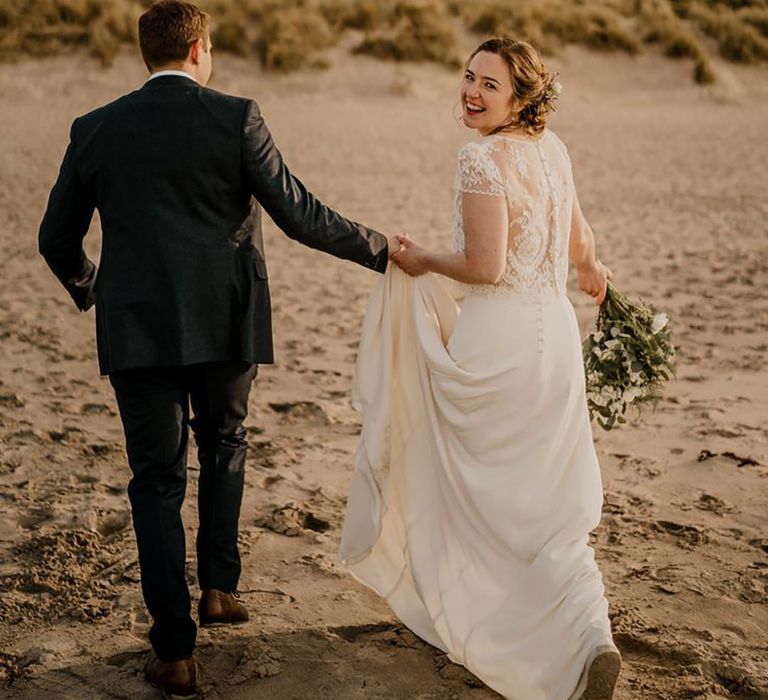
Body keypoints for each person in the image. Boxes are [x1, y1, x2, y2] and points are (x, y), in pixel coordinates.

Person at [37, 1, 397, 696]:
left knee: (156, 481)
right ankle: (220, 590)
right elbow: (299, 212)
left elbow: (56, 240)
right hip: (226, 321)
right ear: (200, 48)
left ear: (148, 54)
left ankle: (173, 651)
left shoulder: (94, 129)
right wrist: (383, 250)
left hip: (137, 327)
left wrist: (94, 291)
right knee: (226, 443)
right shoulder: (236, 116)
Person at [343, 37, 621, 699]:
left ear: (522, 99)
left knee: (474, 488)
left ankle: (490, 621)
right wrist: (593, 275)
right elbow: (581, 244)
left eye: (489, 85)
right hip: (554, 340)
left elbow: (484, 267)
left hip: (498, 341)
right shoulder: (554, 151)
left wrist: (421, 260)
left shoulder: (482, 158)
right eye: (469, 76)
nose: (471, 91)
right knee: (546, 499)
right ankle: (590, 634)